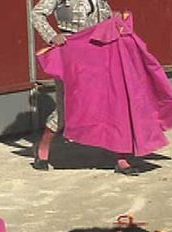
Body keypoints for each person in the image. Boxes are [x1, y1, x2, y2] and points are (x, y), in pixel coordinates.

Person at [31, 0, 136, 175]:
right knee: (67, 107)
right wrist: (51, 36)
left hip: (99, 51)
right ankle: (43, 146)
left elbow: (102, 14)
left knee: (112, 102)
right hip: (72, 53)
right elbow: (37, 13)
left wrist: (113, 17)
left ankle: (121, 157)